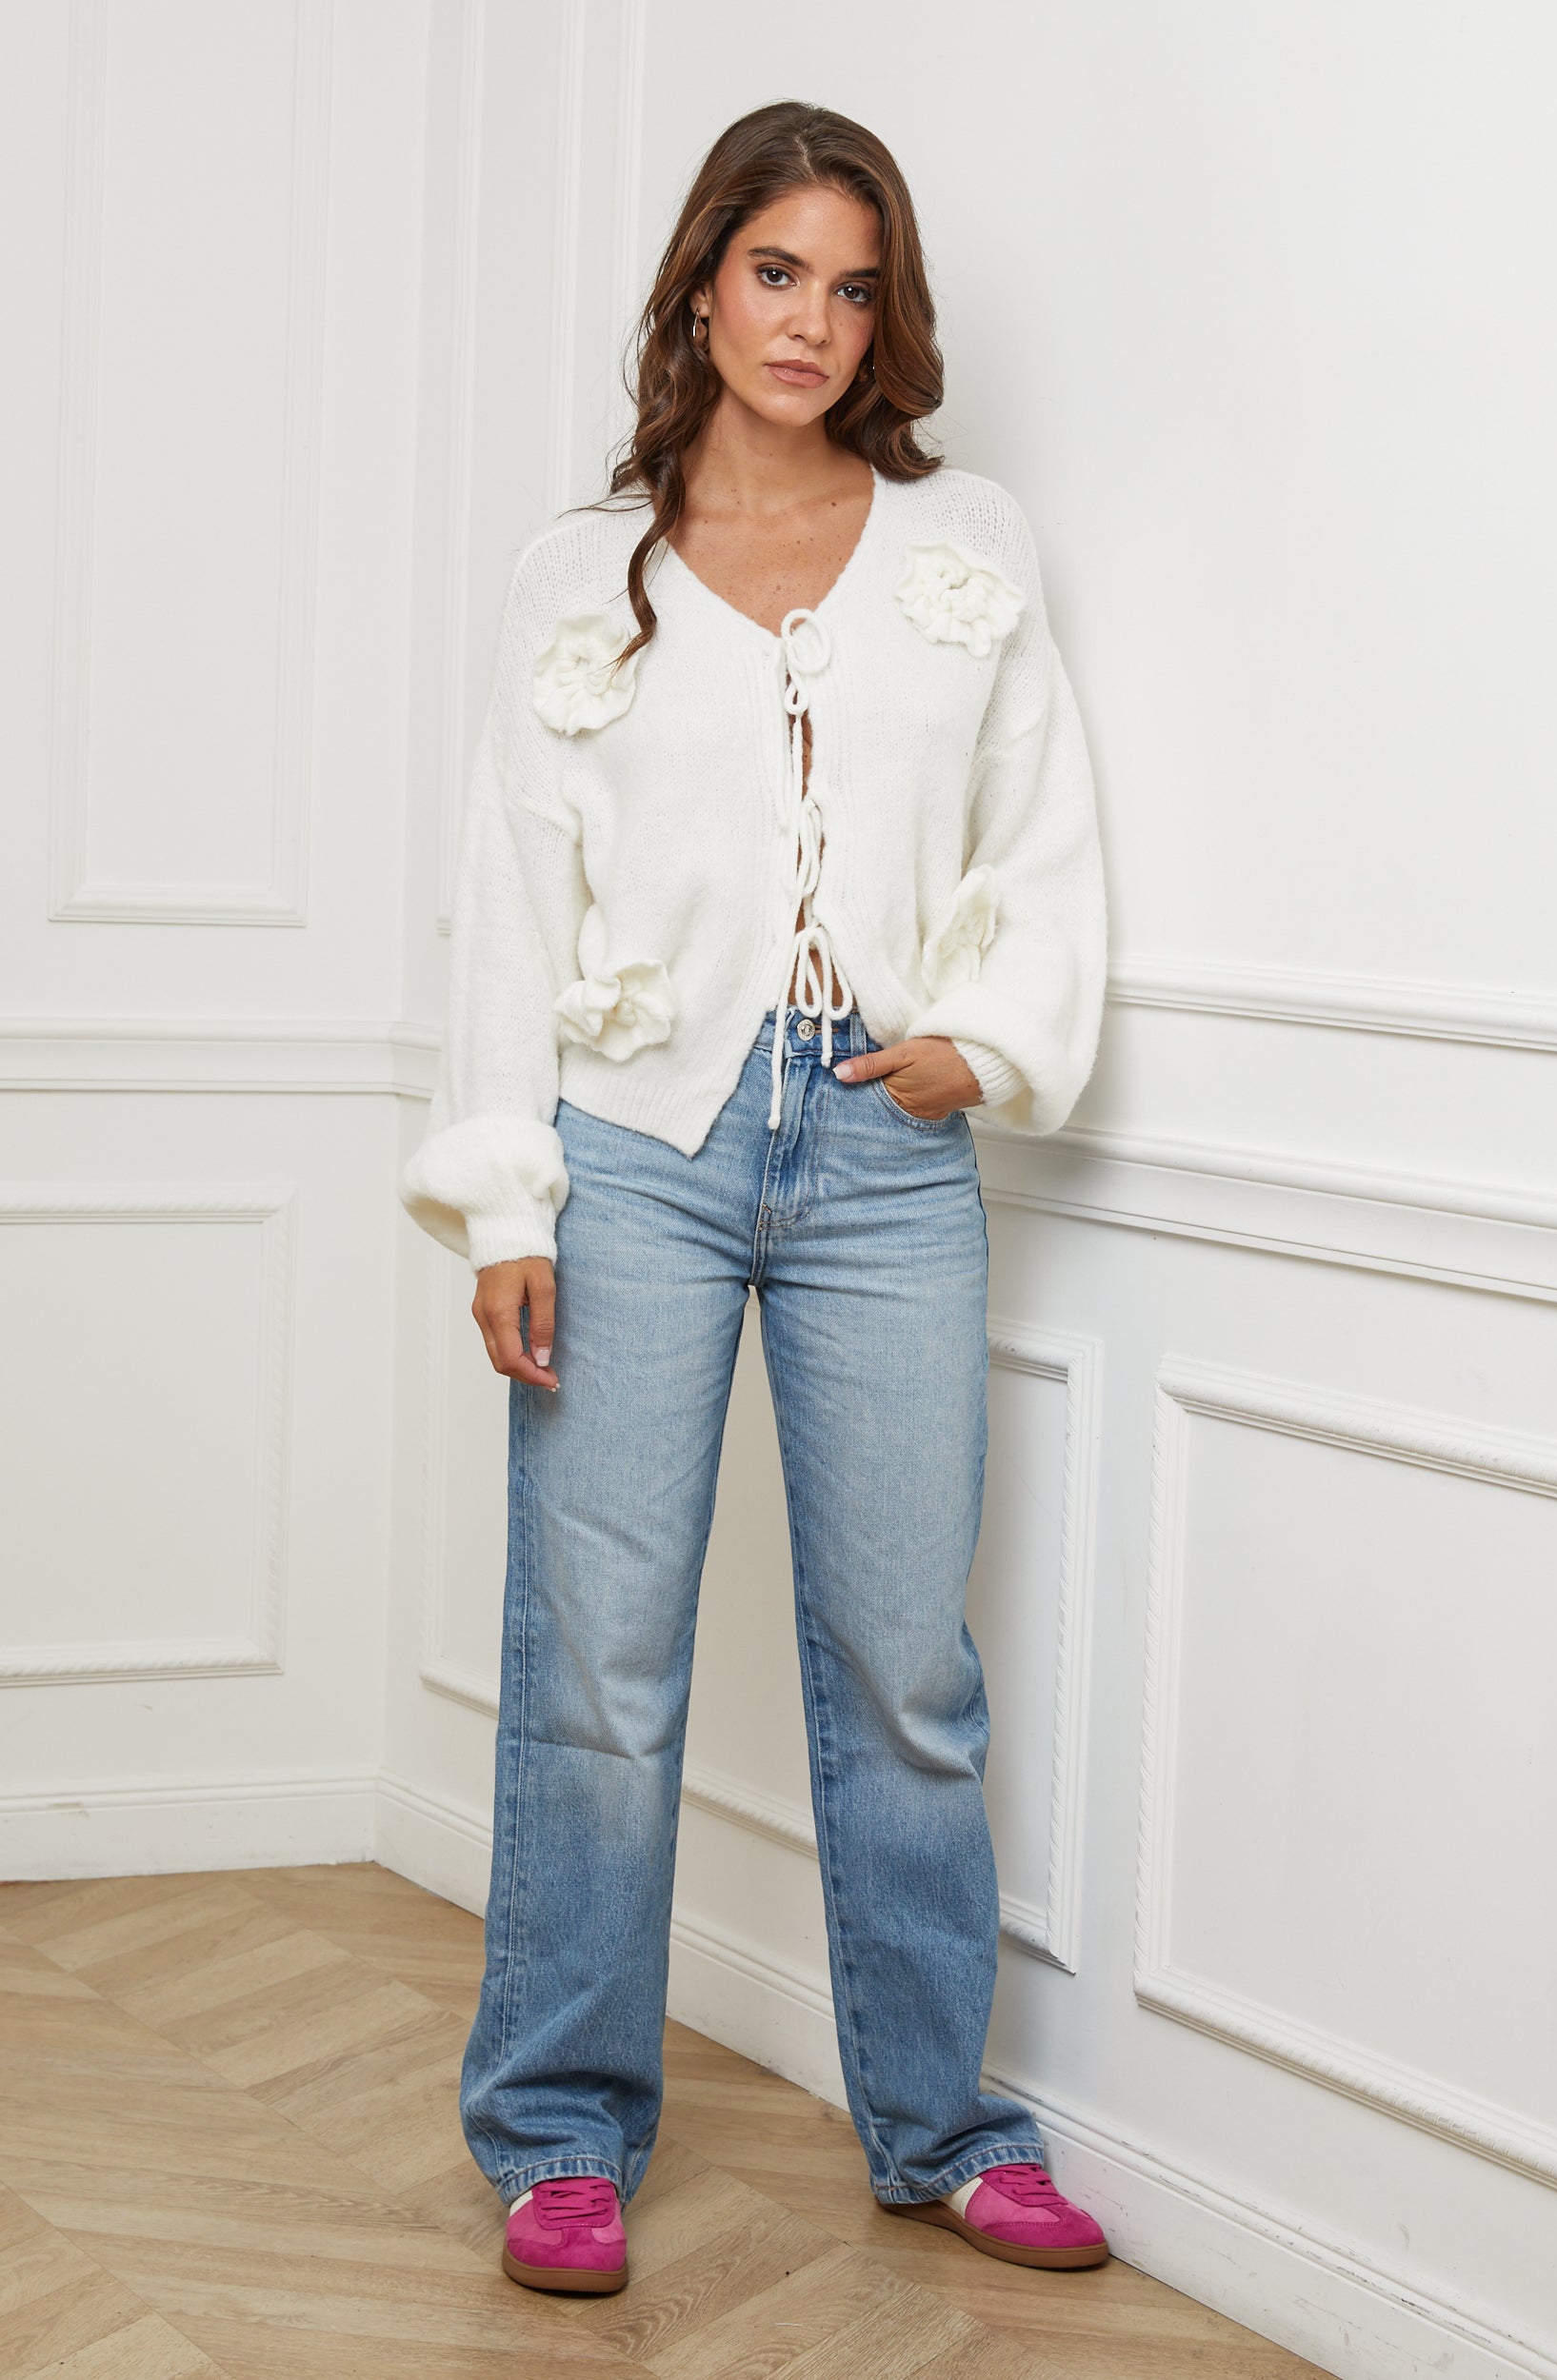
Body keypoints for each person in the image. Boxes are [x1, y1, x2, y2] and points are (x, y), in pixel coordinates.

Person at [400, 98, 1110, 2298]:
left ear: (887, 319)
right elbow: (508, 895)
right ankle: (559, 2128)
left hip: (885, 1149)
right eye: (776, 270)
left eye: (853, 286)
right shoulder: (579, 568)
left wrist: (983, 1039)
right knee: (600, 1665)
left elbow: (1042, 825)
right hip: (633, 1149)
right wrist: (507, 1199)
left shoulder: (965, 541)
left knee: (907, 1659)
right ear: (704, 283)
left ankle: (943, 2123)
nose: (810, 320)